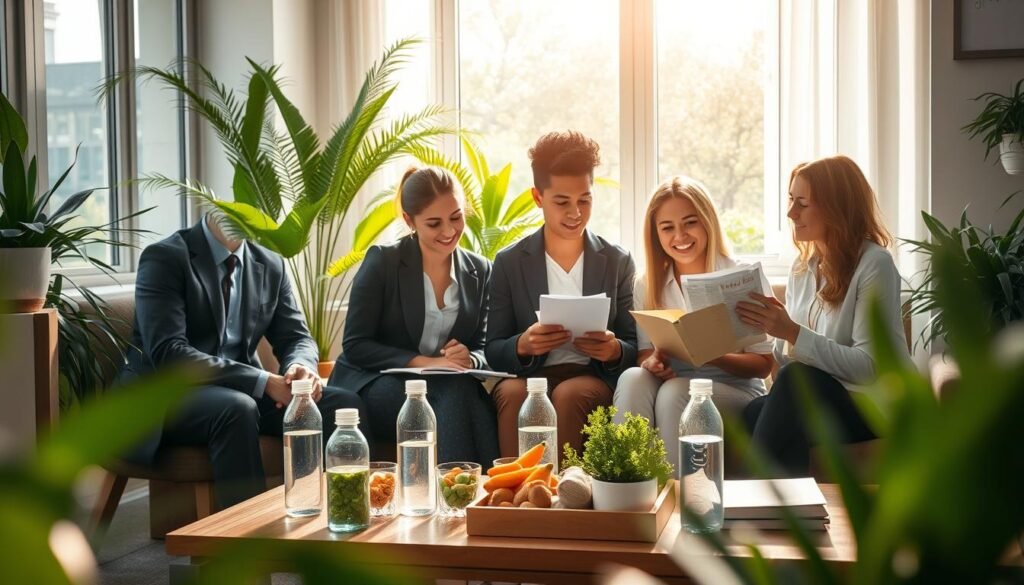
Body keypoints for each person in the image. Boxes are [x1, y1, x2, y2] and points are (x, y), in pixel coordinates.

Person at [121, 213, 367, 510]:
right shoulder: (165, 257)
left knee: (341, 405)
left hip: (237, 389)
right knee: (237, 408)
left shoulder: (270, 263)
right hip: (164, 395)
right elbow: (169, 353)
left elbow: (296, 337)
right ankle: (246, 545)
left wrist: (299, 369)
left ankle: (337, 516)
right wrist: (263, 382)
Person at [737, 155, 910, 477]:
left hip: (872, 404)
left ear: (836, 207)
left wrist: (793, 333)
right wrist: (768, 329)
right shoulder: (803, 267)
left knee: (796, 383)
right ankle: (793, 513)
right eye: (791, 200)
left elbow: (869, 367)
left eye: (802, 203)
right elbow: (790, 362)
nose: (791, 213)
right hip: (822, 398)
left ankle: (753, 501)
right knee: (752, 413)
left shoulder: (874, 265)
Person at [329, 167, 500, 467]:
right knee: (456, 393)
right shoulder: (383, 262)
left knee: (463, 391)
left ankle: (476, 496)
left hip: (449, 386)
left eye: (456, 217)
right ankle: (473, 494)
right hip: (376, 385)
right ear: (409, 220)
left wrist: (469, 358)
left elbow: (487, 345)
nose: (449, 231)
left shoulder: (480, 270)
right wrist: (429, 363)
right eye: (434, 223)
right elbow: (356, 345)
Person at [486, 130, 638, 457]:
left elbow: (633, 344)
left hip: (589, 377)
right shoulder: (510, 262)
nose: (575, 213)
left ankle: (567, 497)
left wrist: (613, 351)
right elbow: (494, 350)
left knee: (570, 394)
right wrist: (522, 345)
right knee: (513, 393)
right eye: (562, 202)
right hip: (530, 375)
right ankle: (516, 497)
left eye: (585, 200)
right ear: (538, 197)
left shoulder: (616, 261)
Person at [614, 177, 774, 474]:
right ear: (656, 234)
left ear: (707, 222)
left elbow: (764, 365)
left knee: (678, 392)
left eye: (690, 223)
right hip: (675, 380)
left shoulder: (741, 275)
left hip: (735, 388)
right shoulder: (648, 283)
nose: (680, 236)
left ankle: (681, 502)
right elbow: (644, 354)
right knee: (633, 378)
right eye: (668, 228)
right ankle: (626, 490)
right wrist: (653, 362)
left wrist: (714, 355)